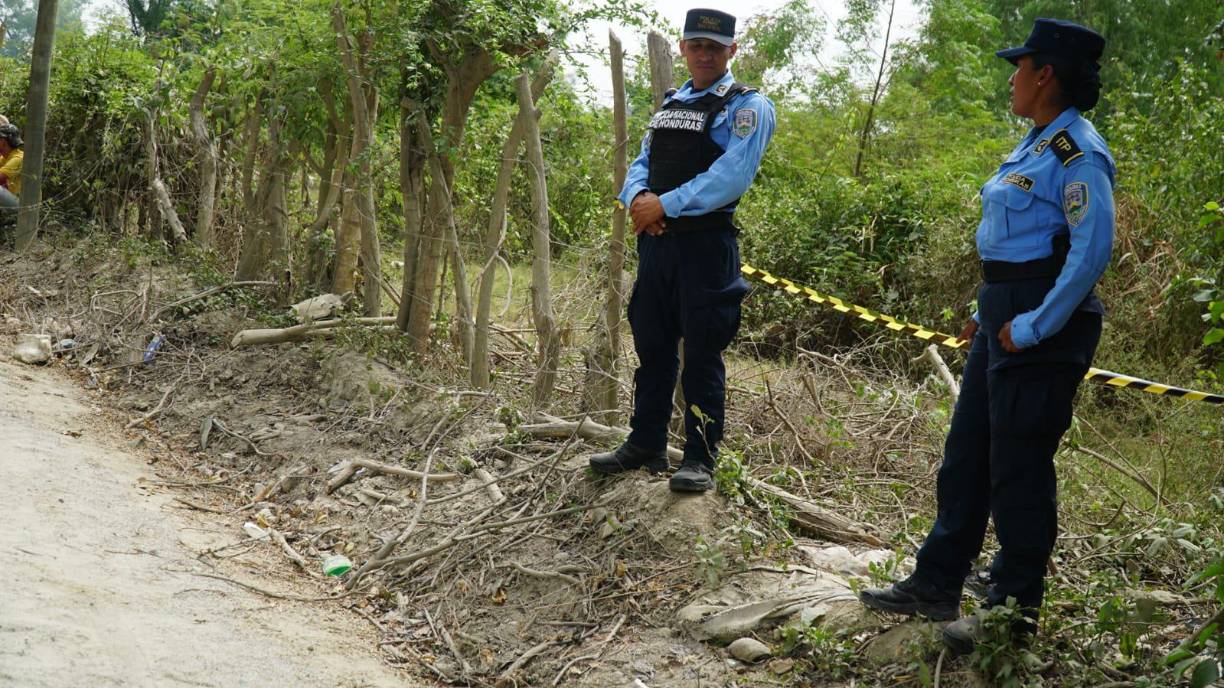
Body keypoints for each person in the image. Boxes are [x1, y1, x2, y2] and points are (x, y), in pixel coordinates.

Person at [858, 18, 1115, 654]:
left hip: (1043, 321)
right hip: (1005, 311)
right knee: (968, 454)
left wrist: (1032, 326)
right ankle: (937, 583)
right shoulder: (1035, 144)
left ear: (1045, 74)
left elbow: (1088, 253)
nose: (1012, 79)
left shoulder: (1077, 152)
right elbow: (1013, 245)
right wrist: (987, 307)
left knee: (1019, 469)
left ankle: (1011, 615)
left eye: (1019, 67)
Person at [589, 8, 776, 492]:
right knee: (651, 346)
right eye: (697, 46)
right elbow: (642, 161)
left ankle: (700, 458)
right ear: (683, 49)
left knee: (702, 353)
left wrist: (663, 205)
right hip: (657, 246)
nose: (706, 54)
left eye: (715, 47)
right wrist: (636, 200)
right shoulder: (672, 103)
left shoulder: (747, 106)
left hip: (705, 247)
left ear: (732, 50)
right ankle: (646, 442)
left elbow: (731, 175)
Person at [0, 123, 24, 215]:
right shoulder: (5, 157)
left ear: (2, 142)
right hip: (13, 201)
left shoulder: (18, 158)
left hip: (24, 207)